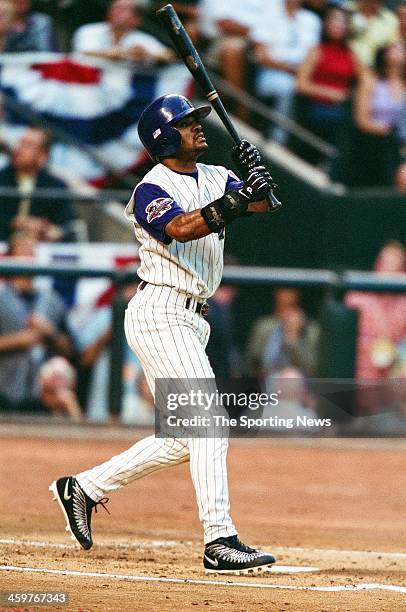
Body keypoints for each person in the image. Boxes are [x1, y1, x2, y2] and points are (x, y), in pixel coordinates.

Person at [50, 93, 277, 574]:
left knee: (181, 438)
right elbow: (182, 227)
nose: (198, 127)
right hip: (160, 311)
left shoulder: (216, 175)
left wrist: (257, 176)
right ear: (164, 135)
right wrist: (238, 200)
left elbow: (264, 204)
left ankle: (84, 487)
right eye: (188, 122)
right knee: (210, 422)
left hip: (194, 318)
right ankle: (219, 538)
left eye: (196, 120)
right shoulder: (149, 189)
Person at [0, 231, 79, 416]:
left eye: (32, 252)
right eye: (23, 251)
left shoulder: (51, 299)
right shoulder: (2, 297)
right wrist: (20, 340)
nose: (29, 256)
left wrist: (49, 332)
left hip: (42, 396)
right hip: (4, 390)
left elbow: (72, 352)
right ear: (9, 258)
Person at [295, 4, 360, 162]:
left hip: (341, 110)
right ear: (325, 24)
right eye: (334, 20)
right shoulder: (317, 50)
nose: (338, 25)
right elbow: (301, 85)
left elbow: (362, 81)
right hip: (316, 107)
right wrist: (332, 94)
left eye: (342, 21)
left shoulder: (351, 54)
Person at [252, 0, 321, 143]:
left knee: (297, 86)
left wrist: (302, 71)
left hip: (301, 74)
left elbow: (314, 55)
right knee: (287, 87)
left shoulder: (312, 20)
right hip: (270, 72)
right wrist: (288, 67)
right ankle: (279, 140)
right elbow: (261, 55)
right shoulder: (269, 12)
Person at [0, 127, 77, 243]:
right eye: (20, 143)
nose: (19, 149)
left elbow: (66, 224)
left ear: (43, 154)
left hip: (40, 251)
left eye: (28, 145)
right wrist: (14, 222)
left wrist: (47, 230)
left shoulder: (56, 186)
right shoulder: (2, 179)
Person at [246, 287, 320, 378]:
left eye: (290, 305)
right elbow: (252, 361)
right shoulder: (264, 326)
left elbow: (312, 368)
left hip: (298, 384)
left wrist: (293, 338)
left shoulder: (311, 330)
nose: (285, 312)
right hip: (267, 380)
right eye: (281, 305)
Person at [72, 0, 174, 64]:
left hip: (122, 92)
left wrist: (147, 54)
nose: (115, 12)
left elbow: (168, 54)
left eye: (122, 9)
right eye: (114, 8)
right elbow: (85, 51)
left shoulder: (138, 37)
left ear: (136, 19)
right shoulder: (89, 30)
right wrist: (122, 54)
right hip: (85, 89)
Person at [343, 0, 399, 67]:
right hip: (343, 68)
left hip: (376, 71)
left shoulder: (390, 20)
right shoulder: (346, 10)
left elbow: (393, 50)